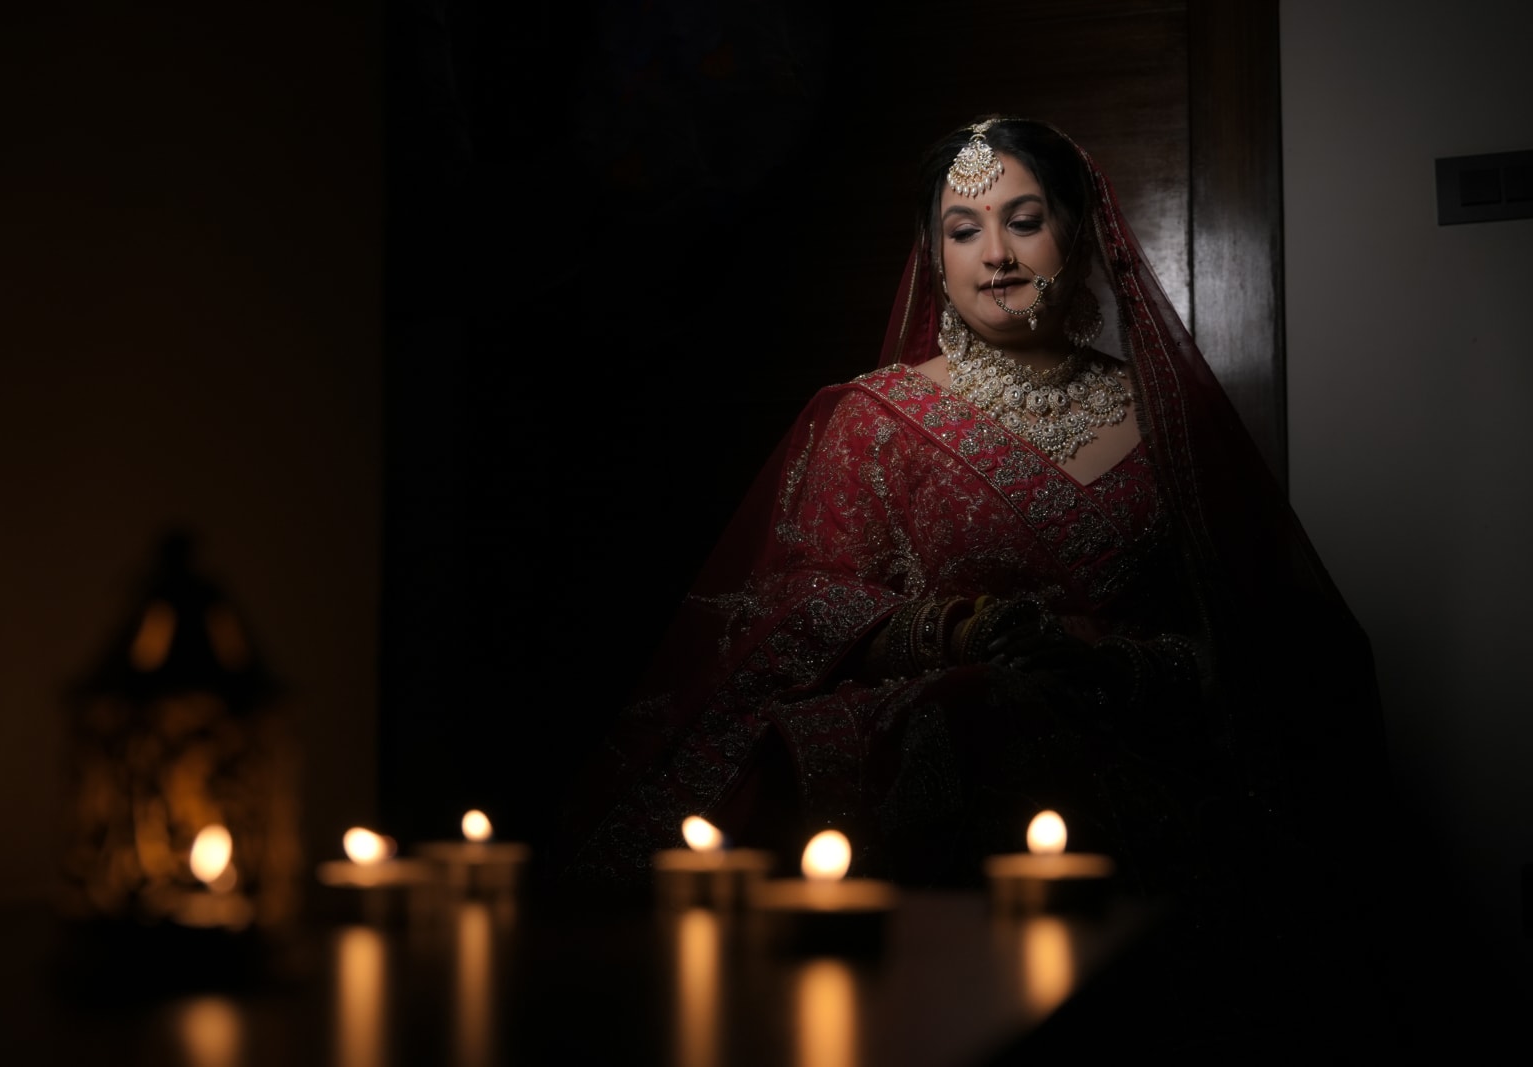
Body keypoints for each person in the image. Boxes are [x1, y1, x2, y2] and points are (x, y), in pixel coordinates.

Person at [555, 115, 1392, 1052]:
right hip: (950, 785)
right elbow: (794, 610)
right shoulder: (873, 420)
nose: (995, 254)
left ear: (1080, 234)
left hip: (1158, 788)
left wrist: (1111, 667)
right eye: (963, 230)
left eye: (1024, 221)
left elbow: (1252, 640)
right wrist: (956, 633)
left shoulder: (1172, 425)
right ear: (935, 256)